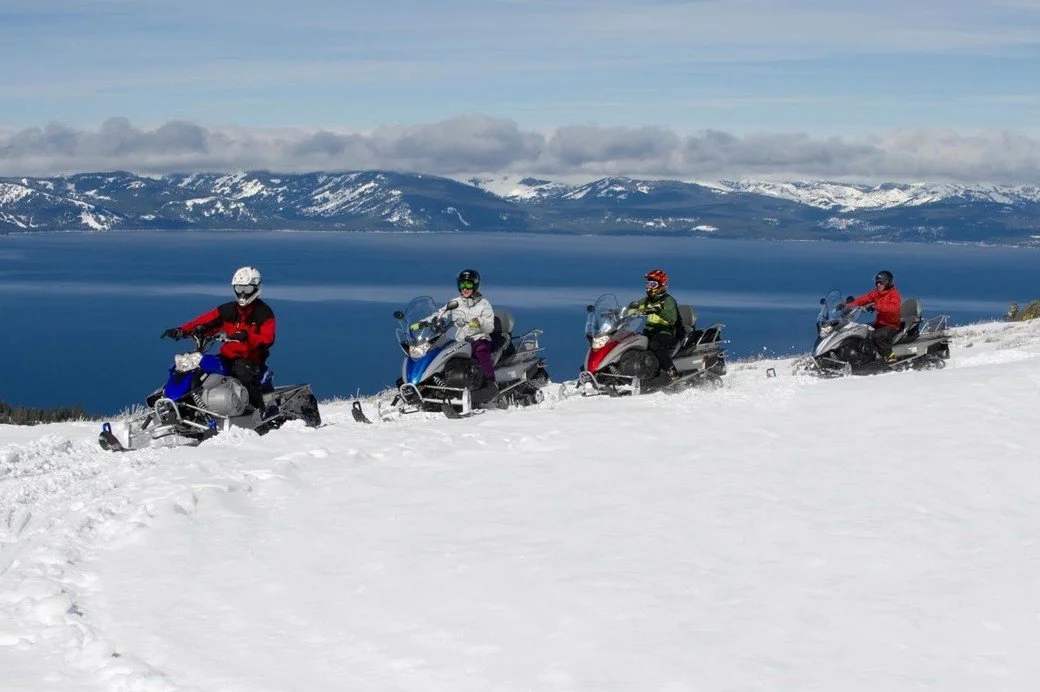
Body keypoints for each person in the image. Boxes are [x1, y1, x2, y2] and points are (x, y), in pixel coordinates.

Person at [160, 266, 278, 419]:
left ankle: (259, 412)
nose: (243, 293)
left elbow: (268, 338)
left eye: (247, 289)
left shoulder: (264, 313)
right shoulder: (228, 310)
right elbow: (204, 321)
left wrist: (247, 337)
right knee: (198, 367)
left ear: (256, 288)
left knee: (242, 373)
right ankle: (179, 405)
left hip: (251, 359)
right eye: (239, 288)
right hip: (227, 356)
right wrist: (181, 330)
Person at [441, 268, 496, 387]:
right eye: (462, 284)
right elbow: (441, 314)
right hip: (460, 340)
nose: (465, 288)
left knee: (480, 351)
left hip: (480, 339)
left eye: (468, 284)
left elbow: (490, 326)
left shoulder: (484, 304)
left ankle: (490, 382)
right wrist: (425, 322)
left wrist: (479, 322)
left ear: (475, 285)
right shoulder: (454, 303)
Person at [629, 269, 681, 380]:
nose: (649, 287)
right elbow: (635, 308)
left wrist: (657, 310)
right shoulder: (647, 300)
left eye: (653, 284)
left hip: (665, 333)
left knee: (654, 344)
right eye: (648, 283)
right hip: (649, 333)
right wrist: (618, 313)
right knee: (630, 342)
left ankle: (672, 371)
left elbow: (672, 317)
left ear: (662, 285)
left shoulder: (667, 300)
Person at [845, 269, 903, 361]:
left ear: (887, 282)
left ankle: (890, 357)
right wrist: (846, 305)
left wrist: (876, 306)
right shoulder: (876, 293)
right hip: (879, 323)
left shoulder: (894, 294)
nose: (878, 285)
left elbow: (894, 308)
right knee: (862, 329)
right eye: (877, 283)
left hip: (891, 325)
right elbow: (863, 300)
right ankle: (865, 356)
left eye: (881, 283)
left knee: (877, 336)